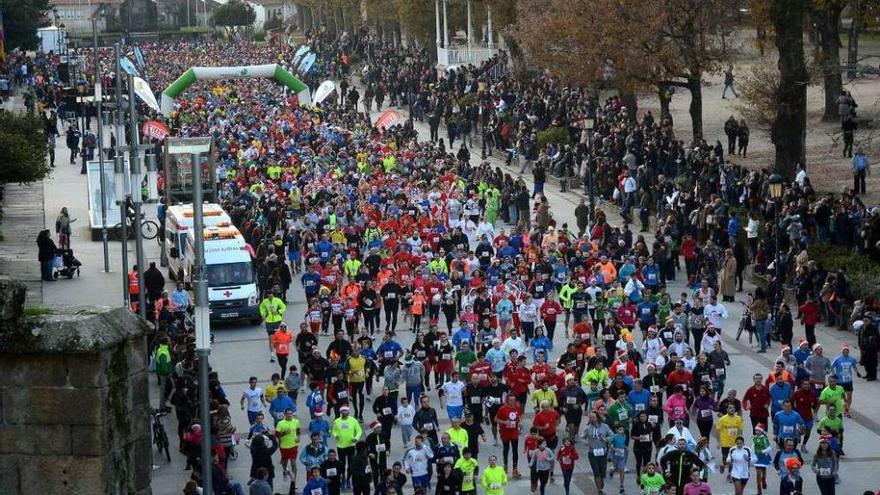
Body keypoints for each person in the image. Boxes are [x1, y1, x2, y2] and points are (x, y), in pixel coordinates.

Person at [582, 411, 612, 495]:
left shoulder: (605, 427)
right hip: (592, 453)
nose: (591, 419)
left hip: (603, 452)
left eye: (593, 417)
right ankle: (599, 490)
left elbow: (612, 435)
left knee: (602, 472)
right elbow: (582, 437)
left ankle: (601, 479)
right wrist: (586, 442)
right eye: (590, 417)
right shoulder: (587, 428)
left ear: (597, 418)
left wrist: (606, 439)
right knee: (596, 472)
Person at [259, 289, 287, 362]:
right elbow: (261, 308)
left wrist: (278, 312)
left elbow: (284, 307)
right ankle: (272, 354)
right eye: (268, 295)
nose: (270, 296)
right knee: (271, 338)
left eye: (271, 295)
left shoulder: (277, 300)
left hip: (277, 321)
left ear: (273, 295)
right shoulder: (265, 301)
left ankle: (280, 351)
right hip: (269, 321)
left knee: (278, 338)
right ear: (267, 295)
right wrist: (263, 314)